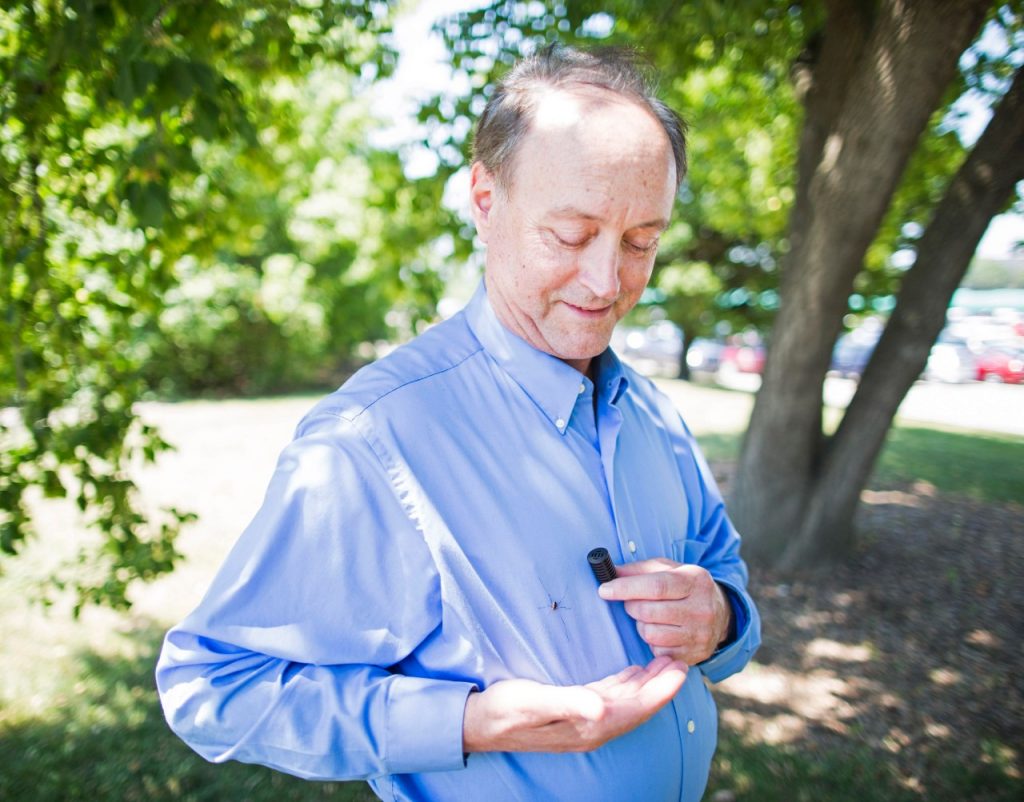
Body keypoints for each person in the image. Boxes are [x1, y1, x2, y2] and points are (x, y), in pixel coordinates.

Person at [156, 45, 761, 802]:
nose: (609, 282)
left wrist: (722, 617)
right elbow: (213, 686)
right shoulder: (371, 439)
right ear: (484, 199)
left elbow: (725, 570)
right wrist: (468, 721)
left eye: (642, 241)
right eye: (571, 235)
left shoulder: (653, 410)